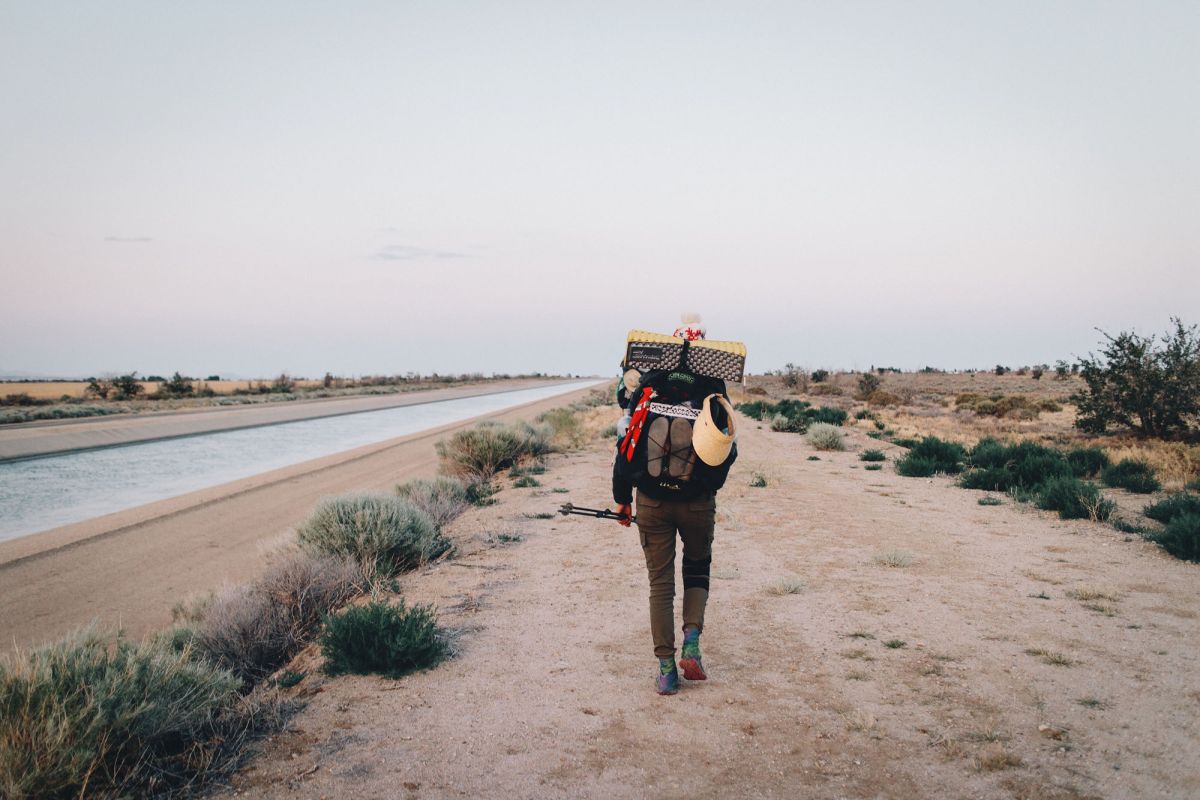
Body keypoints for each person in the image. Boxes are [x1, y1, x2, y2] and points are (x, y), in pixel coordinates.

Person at [612, 317, 738, 695]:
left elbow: (625, 445)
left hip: (651, 501)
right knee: (697, 570)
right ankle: (693, 643)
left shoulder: (650, 385)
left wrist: (622, 499)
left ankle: (667, 670)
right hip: (697, 503)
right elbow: (726, 453)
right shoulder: (713, 390)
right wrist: (706, 490)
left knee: (660, 584)